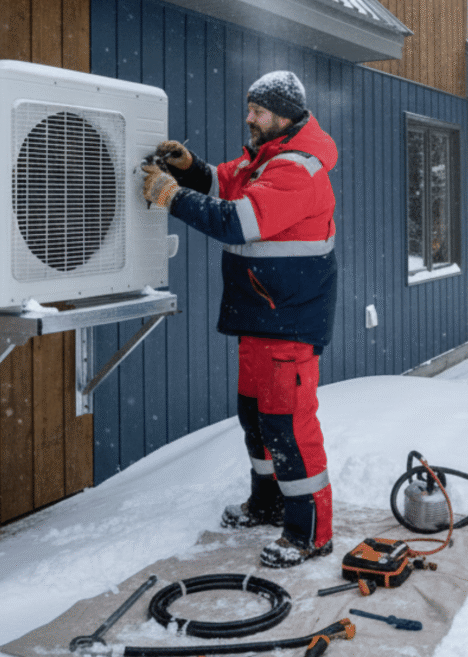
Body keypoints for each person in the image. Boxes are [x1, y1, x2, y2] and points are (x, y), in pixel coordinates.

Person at [141, 71, 338, 568]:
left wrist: (170, 195)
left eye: (258, 110)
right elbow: (225, 183)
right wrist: (190, 169)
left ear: (284, 116)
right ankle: (268, 504)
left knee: (288, 426)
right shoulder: (265, 157)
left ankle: (310, 533)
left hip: (287, 323)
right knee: (256, 418)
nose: (248, 117)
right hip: (260, 318)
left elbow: (237, 220)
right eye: (249, 107)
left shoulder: (295, 170)